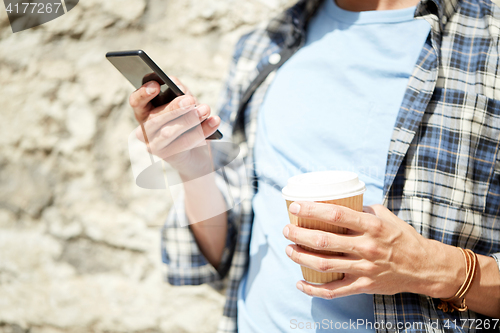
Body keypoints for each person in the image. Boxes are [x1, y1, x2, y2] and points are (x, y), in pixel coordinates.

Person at [129, 0, 500, 331]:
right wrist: (195, 172)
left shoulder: (489, 39)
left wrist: (436, 269)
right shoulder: (265, 45)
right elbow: (230, 250)